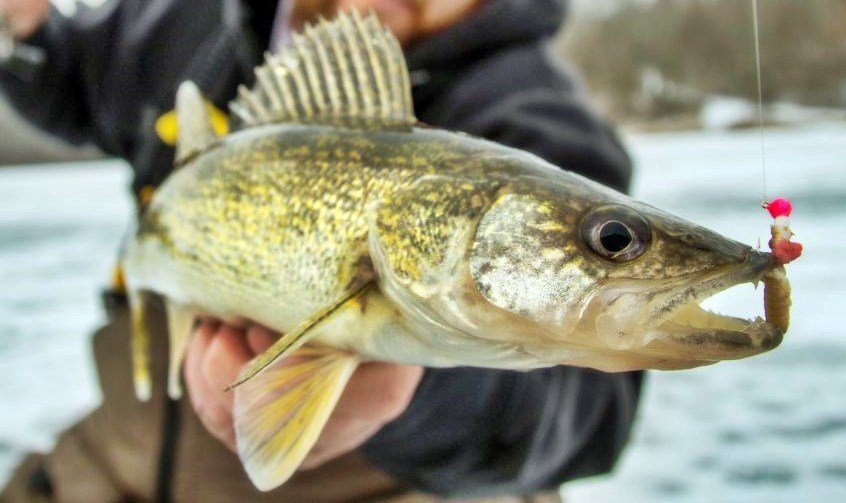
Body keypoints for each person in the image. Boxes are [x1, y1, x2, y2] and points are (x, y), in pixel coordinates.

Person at [0, 0, 642, 501]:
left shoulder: (537, 116)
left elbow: (586, 414)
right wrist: (25, 32)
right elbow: (73, 75)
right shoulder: (185, 23)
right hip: (116, 460)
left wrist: (405, 391)